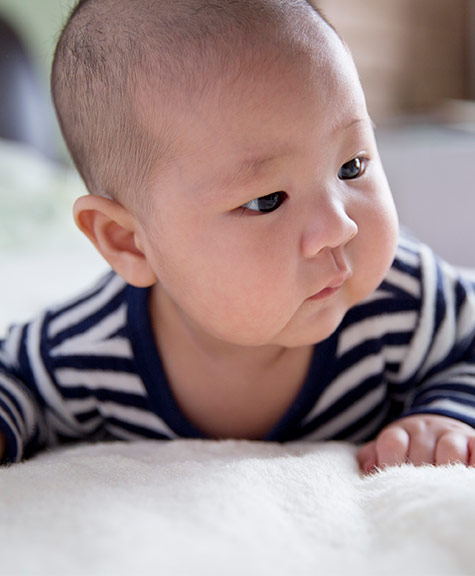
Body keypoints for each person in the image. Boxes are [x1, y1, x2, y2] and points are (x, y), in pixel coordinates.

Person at [1, 0, 474, 472]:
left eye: (351, 166)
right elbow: (14, 380)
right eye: (267, 200)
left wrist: (445, 413)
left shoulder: (404, 298)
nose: (338, 227)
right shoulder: (89, 349)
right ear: (128, 241)